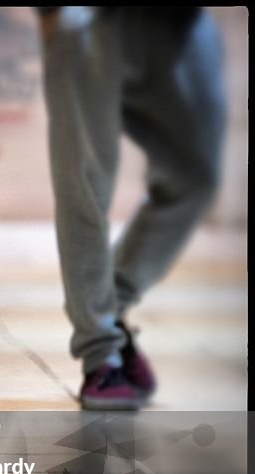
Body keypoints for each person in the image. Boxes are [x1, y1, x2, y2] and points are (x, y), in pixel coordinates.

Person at [38, 7, 226, 410]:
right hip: (86, 15)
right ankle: (100, 352)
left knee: (196, 177)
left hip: (181, 23)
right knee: (85, 181)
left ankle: (112, 309)